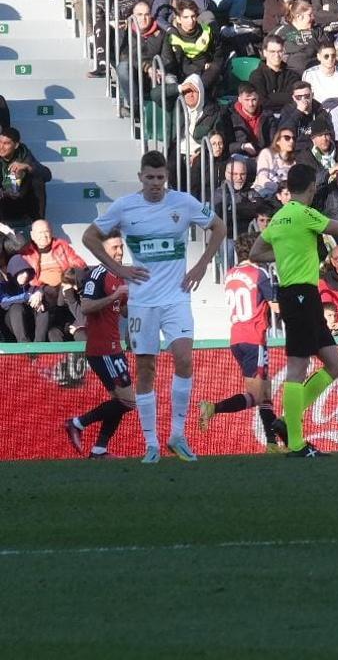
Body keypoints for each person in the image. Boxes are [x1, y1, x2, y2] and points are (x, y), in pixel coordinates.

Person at [82, 150, 227, 464]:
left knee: (184, 359)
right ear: (140, 177)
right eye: (150, 177)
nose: (156, 183)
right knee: (145, 369)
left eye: (161, 177)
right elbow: (89, 236)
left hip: (177, 297)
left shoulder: (184, 202)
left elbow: (220, 227)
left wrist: (202, 264)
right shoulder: (124, 207)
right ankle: (151, 444)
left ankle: (177, 434)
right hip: (142, 302)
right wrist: (117, 269)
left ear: (167, 178)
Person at [250, 164, 338, 457]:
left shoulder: (279, 217)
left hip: (301, 296)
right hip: (300, 295)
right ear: (310, 189)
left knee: (334, 364)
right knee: (297, 368)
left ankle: (286, 421)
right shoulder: (305, 214)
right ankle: (296, 442)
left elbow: (256, 253)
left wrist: (285, 252)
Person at [198, 233, 283, 450]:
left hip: (237, 338)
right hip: (255, 338)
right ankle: (213, 408)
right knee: (257, 396)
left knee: (264, 394)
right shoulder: (260, 273)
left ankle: (273, 443)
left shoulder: (230, 273)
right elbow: (275, 306)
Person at [62, 230, 134, 459]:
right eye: (114, 248)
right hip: (102, 349)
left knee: (122, 401)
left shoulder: (119, 276)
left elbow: (122, 310)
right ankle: (77, 423)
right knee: (129, 401)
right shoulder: (98, 275)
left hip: (114, 347)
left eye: (121, 247)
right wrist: (115, 297)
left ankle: (99, 449)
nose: (120, 252)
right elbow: (85, 307)